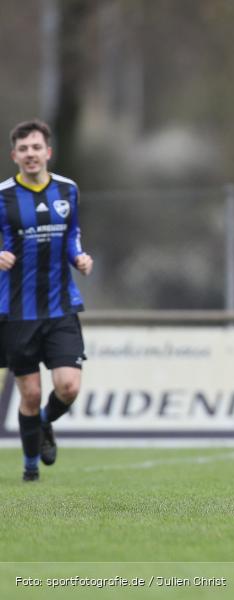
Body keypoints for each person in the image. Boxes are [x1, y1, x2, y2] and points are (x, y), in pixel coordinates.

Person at [0, 119, 93, 482]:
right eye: (23, 149)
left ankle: (41, 425)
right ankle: (30, 469)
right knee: (31, 393)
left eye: (36, 147)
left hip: (61, 307)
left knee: (69, 386)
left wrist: (80, 258)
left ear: (48, 152)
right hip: (18, 311)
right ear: (14, 156)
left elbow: (73, 237)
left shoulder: (68, 191)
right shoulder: (3, 196)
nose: (30, 154)